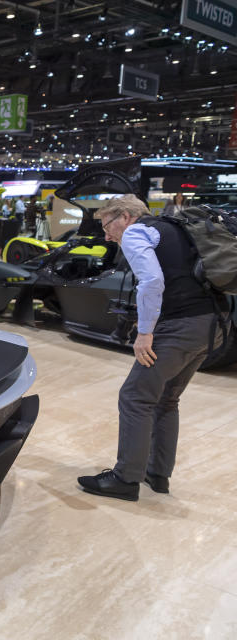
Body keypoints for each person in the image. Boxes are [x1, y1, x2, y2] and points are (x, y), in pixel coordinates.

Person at [77, 195, 223, 501]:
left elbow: (152, 281)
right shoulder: (172, 227)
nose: (107, 234)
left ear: (126, 217)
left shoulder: (136, 232)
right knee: (166, 400)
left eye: (107, 225)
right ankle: (157, 475)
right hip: (211, 325)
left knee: (135, 397)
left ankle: (126, 479)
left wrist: (144, 333)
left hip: (180, 327)